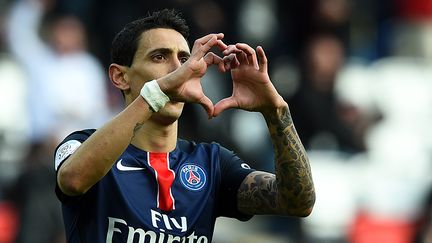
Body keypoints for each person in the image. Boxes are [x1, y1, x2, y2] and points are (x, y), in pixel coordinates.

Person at [54, 9, 315, 242]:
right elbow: (73, 181)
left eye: (184, 59)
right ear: (120, 77)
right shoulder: (81, 144)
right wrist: (159, 92)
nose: (180, 69)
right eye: (159, 57)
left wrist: (276, 112)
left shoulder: (212, 163)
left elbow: (298, 202)